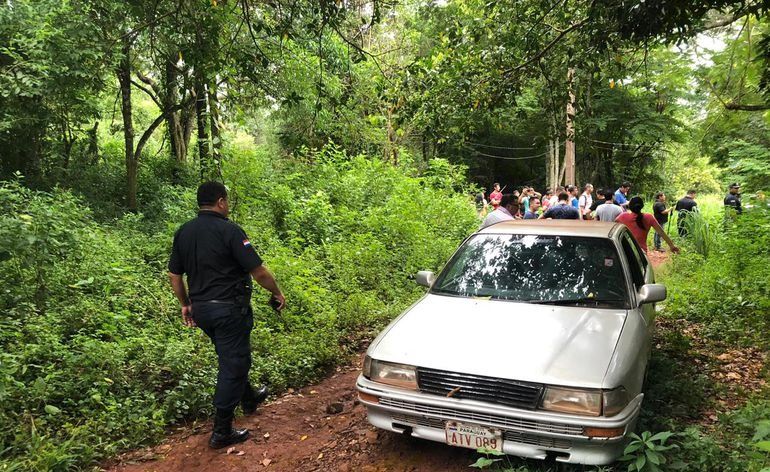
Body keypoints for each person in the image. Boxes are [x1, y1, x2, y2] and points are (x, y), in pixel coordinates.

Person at [168, 181, 286, 449]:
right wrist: (278, 292)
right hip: (229, 309)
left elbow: (175, 275)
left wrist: (185, 303)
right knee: (234, 363)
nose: (228, 206)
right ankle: (222, 430)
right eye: (227, 201)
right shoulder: (230, 231)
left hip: (203, 311)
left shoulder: (183, 232)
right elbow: (259, 272)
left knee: (229, 354)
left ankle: (249, 397)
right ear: (221, 202)